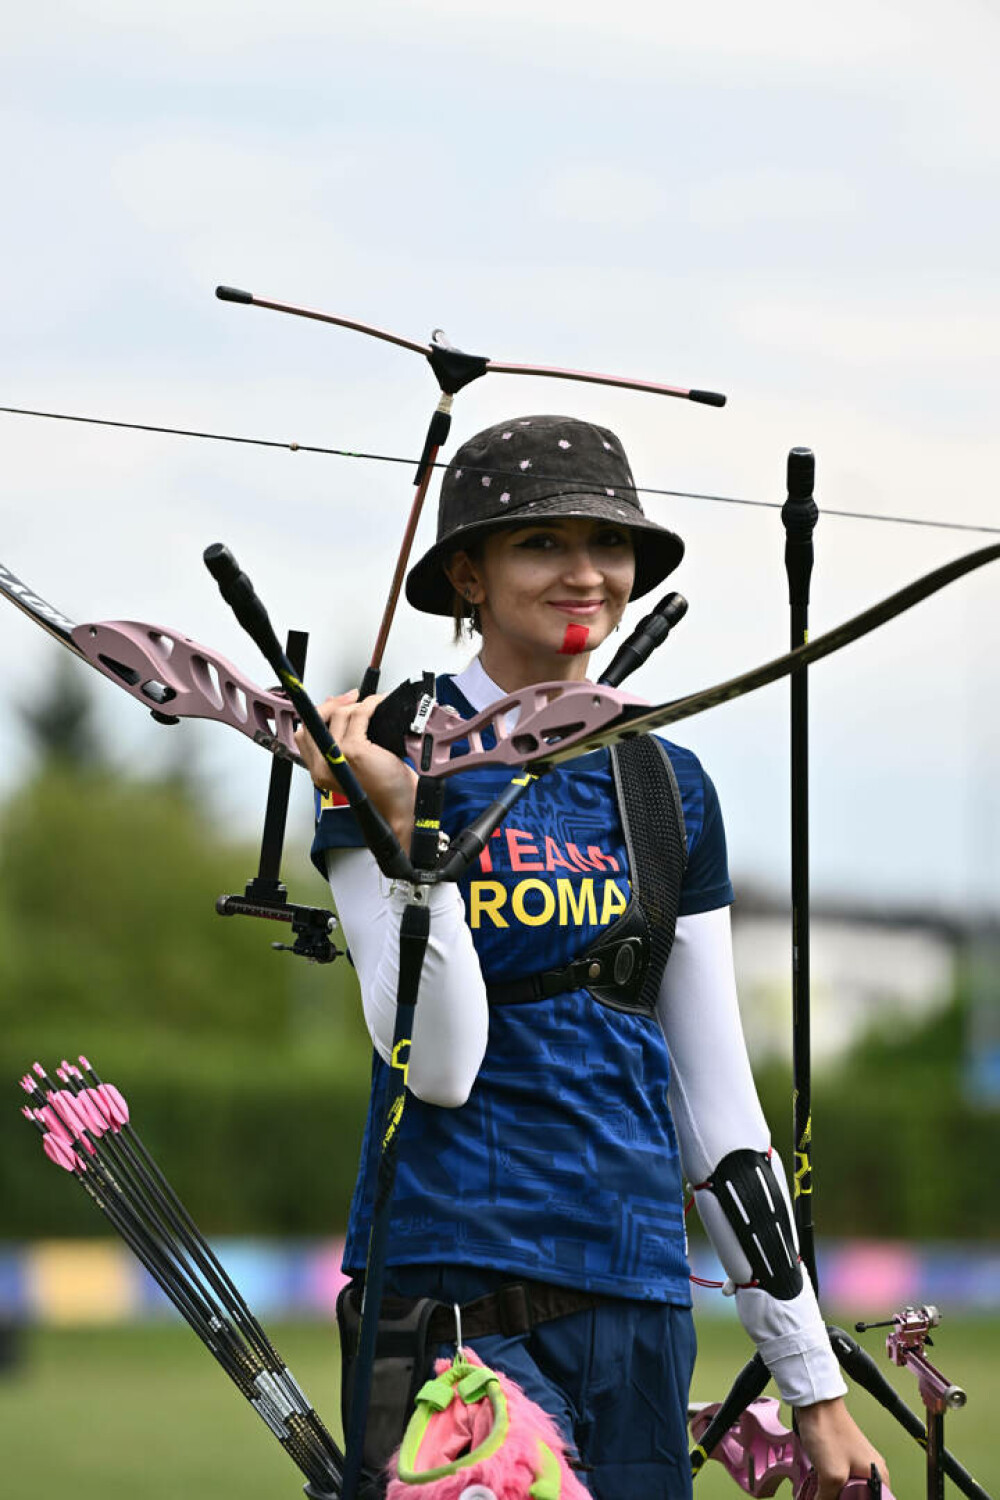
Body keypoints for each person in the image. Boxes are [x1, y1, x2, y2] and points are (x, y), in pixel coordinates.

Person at [297, 415, 888, 1500]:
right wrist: (406, 828)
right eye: (541, 544)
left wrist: (811, 1381)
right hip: (453, 1303)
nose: (586, 575)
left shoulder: (665, 783)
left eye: (606, 546)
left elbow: (715, 1103)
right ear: (466, 575)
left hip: (638, 1305)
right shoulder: (379, 752)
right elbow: (438, 1065)